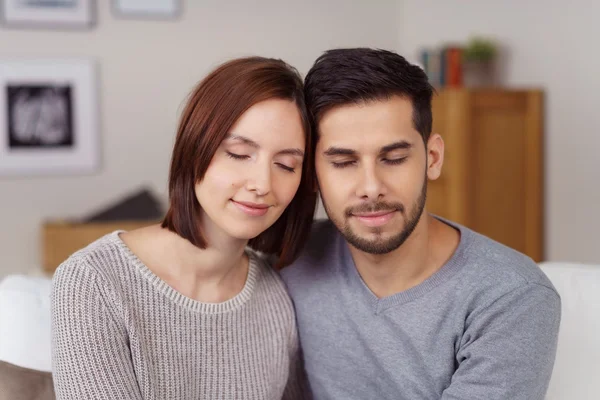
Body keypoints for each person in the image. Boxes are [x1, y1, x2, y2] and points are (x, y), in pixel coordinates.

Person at [281, 48, 561, 400]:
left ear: (433, 158)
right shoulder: (292, 258)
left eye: (394, 158)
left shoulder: (511, 296)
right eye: (343, 162)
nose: (371, 188)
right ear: (313, 173)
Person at [51, 56, 316, 400]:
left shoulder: (277, 296)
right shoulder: (93, 282)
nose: (262, 183)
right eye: (238, 153)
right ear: (194, 151)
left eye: (285, 164)